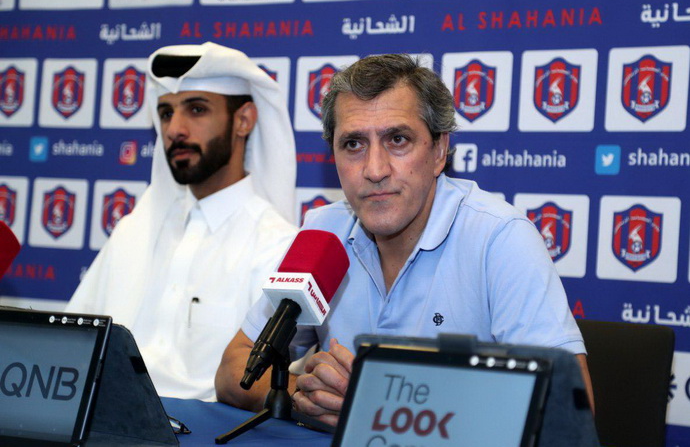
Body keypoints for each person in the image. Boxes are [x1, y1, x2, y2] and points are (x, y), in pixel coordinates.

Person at [215, 54, 593, 424]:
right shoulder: (323, 233)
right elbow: (233, 370)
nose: (375, 170)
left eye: (397, 139)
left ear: (439, 151)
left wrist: (382, 407)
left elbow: (567, 410)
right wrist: (305, 395)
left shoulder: (500, 238)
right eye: (353, 144)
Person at [66, 42, 298, 401]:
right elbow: (70, 346)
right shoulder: (134, 232)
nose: (175, 129)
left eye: (196, 109)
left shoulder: (276, 245)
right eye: (165, 112)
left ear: (243, 120)